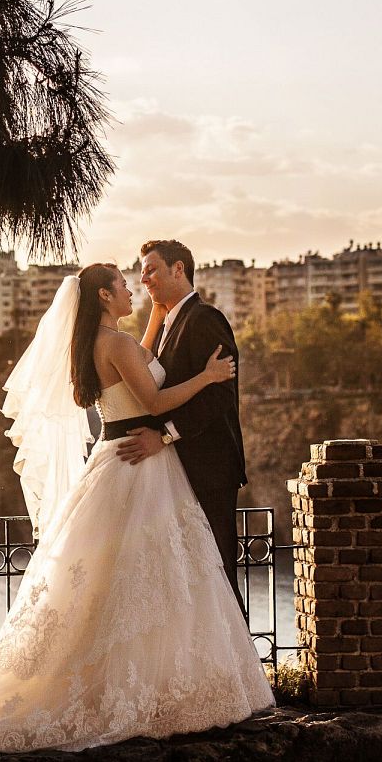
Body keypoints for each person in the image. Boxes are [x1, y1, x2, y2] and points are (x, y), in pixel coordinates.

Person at [0, 263, 272, 762]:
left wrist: (155, 319)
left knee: (114, 582)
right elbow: (155, 399)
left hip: (113, 456)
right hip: (139, 463)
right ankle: (153, 688)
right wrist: (209, 377)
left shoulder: (98, 344)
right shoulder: (117, 346)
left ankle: (125, 683)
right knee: (152, 578)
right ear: (104, 295)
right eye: (123, 284)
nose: (131, 290)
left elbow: (135, 362)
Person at [115, 239, 247, 598]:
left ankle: (236, 656)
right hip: (178, 471)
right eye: (141, 273)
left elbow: (218, 397)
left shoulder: (205, 319)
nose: (144, 280)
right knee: (192, 585)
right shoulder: (169, 324)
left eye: (151, 270)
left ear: (179, 269)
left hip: (209, 468)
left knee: (218, 579)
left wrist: (165, 436)